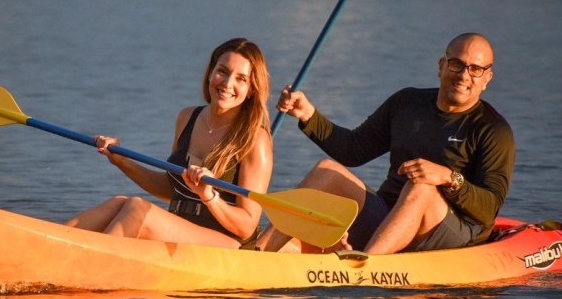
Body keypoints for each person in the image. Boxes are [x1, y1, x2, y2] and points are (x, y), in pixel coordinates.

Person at [257, 32, 515, 255]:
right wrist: (308, 115)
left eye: (475, 69)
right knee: (326, 170)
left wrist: (448, 178)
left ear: (487, 77)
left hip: (451, 232)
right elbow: (354, 150)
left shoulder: (493, 130)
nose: (464, 75)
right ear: (441, 66)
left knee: (422, 188)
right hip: (388, 219)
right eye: (456, 64)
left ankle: (364, 267)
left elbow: (488, 209)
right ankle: (258, 252)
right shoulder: (406, 103)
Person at [66, 38, 273, 248]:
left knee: (138, 209)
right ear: (210, 72)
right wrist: (122, 161)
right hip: (183, 228)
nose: (228, 84)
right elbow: (172, 189)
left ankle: (93, 265)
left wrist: (208, 196)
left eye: (241, 79)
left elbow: (247, 225)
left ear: (252, 90)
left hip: (229, 244)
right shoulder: (187, 117)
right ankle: (50, 242)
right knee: (119, 203)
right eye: (223, 71)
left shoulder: (256, 140)